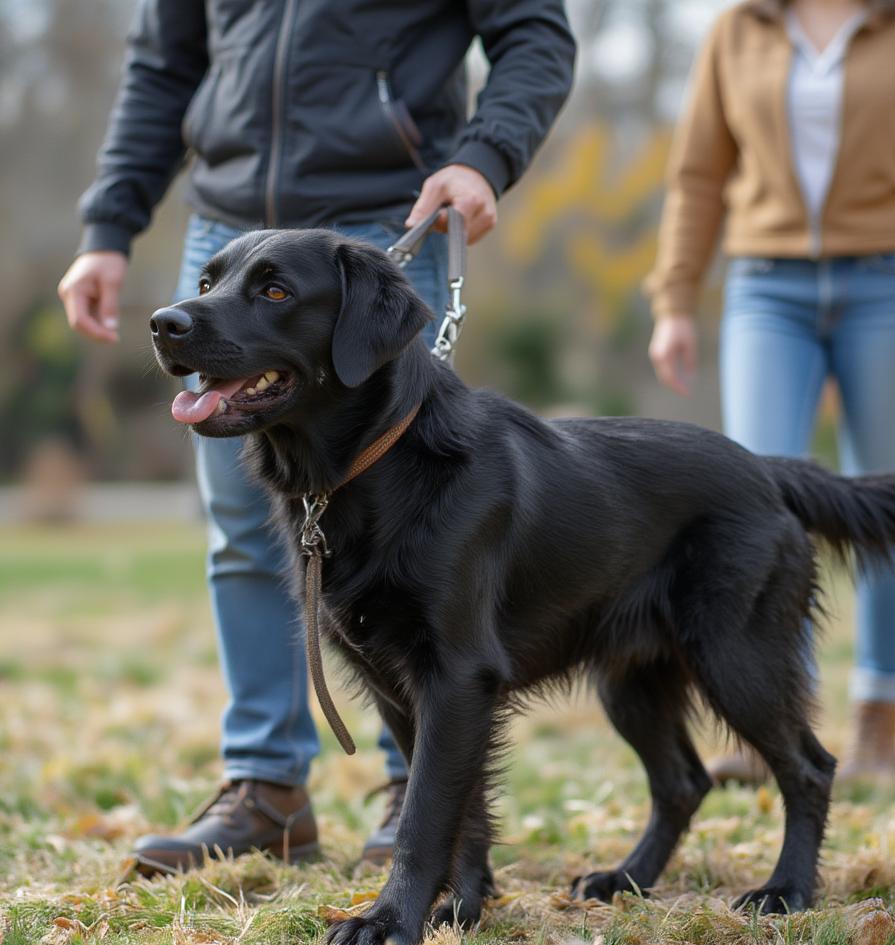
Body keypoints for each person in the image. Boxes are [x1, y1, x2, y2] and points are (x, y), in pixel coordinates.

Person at [58, 0, 575, 872]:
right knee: (241, 528)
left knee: (411, 531)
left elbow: (534, 29)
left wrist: (484, 156)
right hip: (226, 230)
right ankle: (266, 791)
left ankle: (417, 796)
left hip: (380, 222)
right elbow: (162, 64)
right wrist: (110, 225)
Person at [645, 0, 895, 784]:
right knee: (758, 499)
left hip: (892, 282)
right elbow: (699, 172)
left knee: (881, 490)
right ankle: (772, 716)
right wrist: (674, 300)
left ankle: (881, 719)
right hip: (767, 287)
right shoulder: (740, 27)